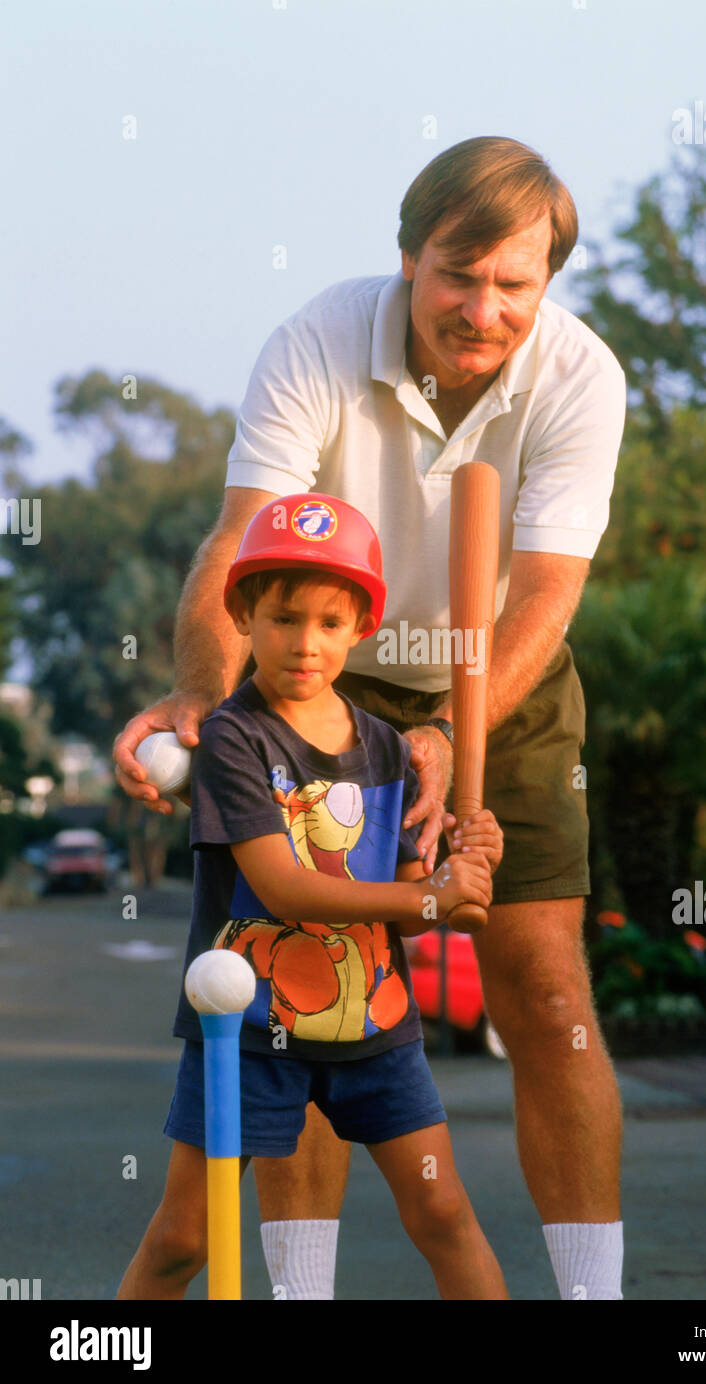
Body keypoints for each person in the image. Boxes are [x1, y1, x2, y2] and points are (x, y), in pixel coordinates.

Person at [114, 135, 627, 1301]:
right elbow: (239, 550)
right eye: (459, 272)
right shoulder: (316, 341)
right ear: (409, 257)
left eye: (514, 284)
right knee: (305, 979)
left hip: (502, 665)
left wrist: (455, 725)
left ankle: (595, 1300)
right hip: (315, 665)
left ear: (545, 282)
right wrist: (207, 698)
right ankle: (301, 1294)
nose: (483, 308)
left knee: (544, 987)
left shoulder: (582, 376)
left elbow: (545, 594)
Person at [117, 493, 508, 1300]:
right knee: (185, 1238)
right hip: (250, 1031)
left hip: (379, 1028)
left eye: (330, 623)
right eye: (284, 618)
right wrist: (430, 900)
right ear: (243, 615)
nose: (305, 644)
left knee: (442, 1212)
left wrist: (467, 874)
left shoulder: (385, 747)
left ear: (362, 627)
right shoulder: (235, 736)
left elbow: (413, 893)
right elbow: (285, 887)